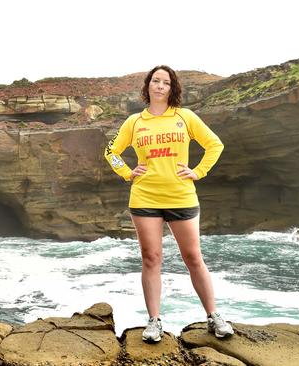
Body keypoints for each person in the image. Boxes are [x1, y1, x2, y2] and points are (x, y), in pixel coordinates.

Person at [104, 65, 233, 343]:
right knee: (151, 258)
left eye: (166, 82)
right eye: (155, 81)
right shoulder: (135, 122)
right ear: (148, 86)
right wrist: (127, 172)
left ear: (172, 88)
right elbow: (110, 151)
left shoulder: (185, 117)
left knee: (193, 258)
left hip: (181, 196)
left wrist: (198, 172)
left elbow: (215, 145)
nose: (160, 86)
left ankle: (213, 317)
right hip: (145, 197)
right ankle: (154, 321)